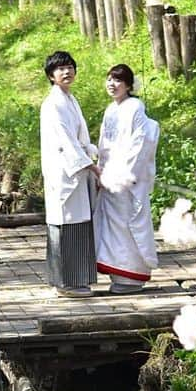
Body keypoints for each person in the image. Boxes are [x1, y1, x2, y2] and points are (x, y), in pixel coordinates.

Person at [94, 64, 160, 293]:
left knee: (127, 224)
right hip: (109, 175)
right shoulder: (110, 109)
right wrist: (100, 170)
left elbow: (139, 143)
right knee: (111, 226)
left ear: (129, 85)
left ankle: (131, 275)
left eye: (118, 80)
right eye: (109, 79)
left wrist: (125, 174)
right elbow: (104, 144)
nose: (112, 84)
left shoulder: (135, 107)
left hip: (126, 177)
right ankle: (116, 271)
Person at [39, 49, 97, 297]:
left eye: (70, 67)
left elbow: (80, 138)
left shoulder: (70, 100)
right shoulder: (53, 105)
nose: (67, 72)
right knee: (65, 224)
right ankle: (65, 283)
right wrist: (90, 164)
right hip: (65, 172)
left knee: (79, 223)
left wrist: (92, 154)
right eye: (60, 69)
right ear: (51, 76)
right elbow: (66, 142)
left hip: (77, 171)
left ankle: (76, 280)